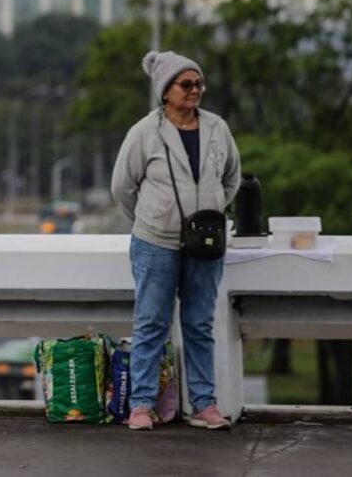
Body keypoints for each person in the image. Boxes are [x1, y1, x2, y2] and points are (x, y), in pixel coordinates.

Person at [110, 51, 241, 431]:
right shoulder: (144, 133)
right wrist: (154, 218)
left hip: (206, 244)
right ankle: (141, 405)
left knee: (199, 323)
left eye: (199, 83)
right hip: (155, 243)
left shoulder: (217, 129)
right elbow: (123, 188)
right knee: (151, 323)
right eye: (187, 84)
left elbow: (231, 178)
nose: (195, 90)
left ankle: (204, 404)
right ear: (166, 90)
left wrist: (209, 213)